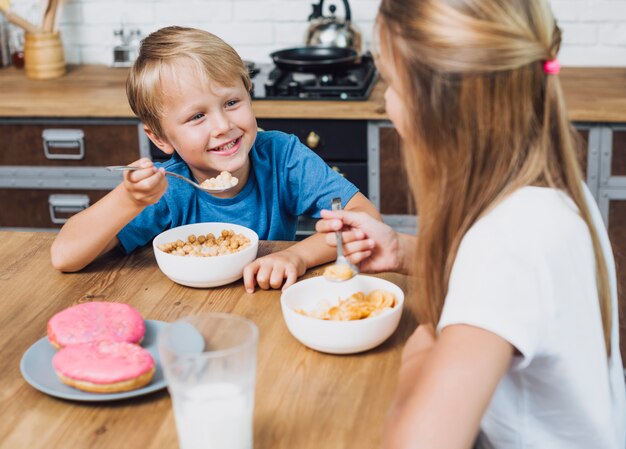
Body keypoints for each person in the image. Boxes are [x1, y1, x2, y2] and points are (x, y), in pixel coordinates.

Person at [316, 0, 626, 447]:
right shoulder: (548, 194)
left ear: (441, 109)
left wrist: (421, 356)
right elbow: (515, 288)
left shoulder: (510, 243)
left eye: (393, 83)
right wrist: (404, 249)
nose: (385, 103)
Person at [50, 26, 380, 292]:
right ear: (161, 138)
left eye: (232, 102)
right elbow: (65, 256)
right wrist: (128, 199)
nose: (223, 126)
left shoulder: (282, 156)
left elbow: (367, 221)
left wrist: (297, 256)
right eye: (196, 117)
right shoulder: (167, 189)